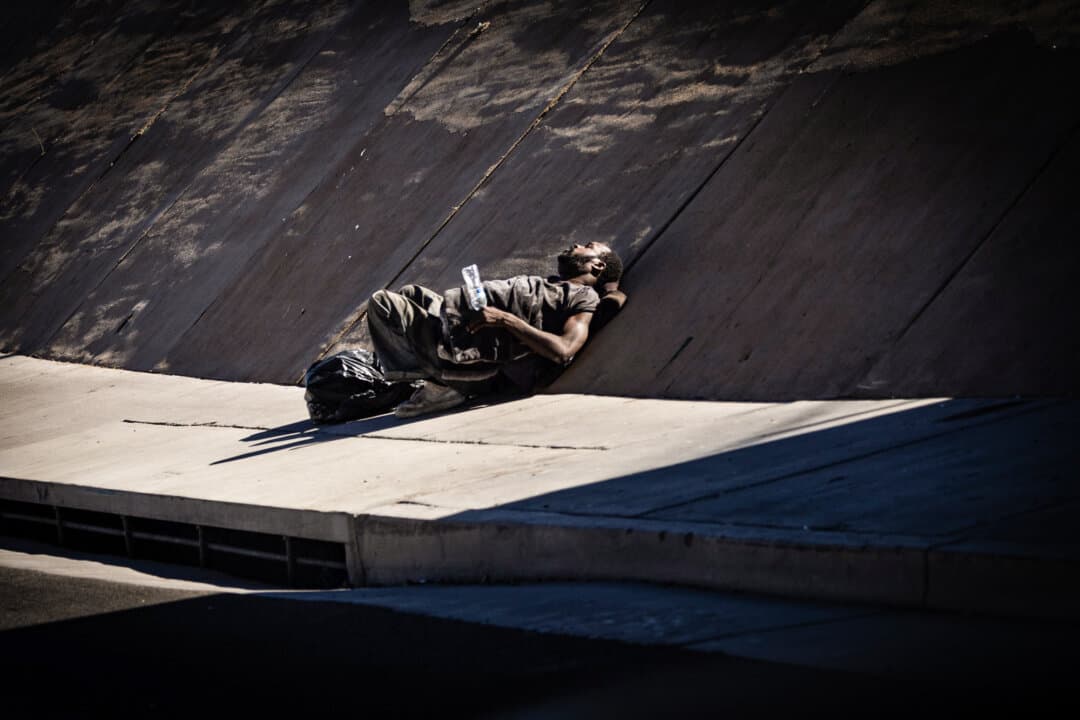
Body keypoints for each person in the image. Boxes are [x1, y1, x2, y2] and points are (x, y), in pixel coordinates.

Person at [367, 242, 625, 418]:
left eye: (587, 246)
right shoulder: (556, 284)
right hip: (461, 326)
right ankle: (432, 374)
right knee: (412, 293)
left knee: (382, 303)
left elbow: (563, 350)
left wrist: (504, 319)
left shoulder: (583, 297)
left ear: (598, 266)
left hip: (472, 354)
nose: (575, 246)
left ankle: (443, 383)